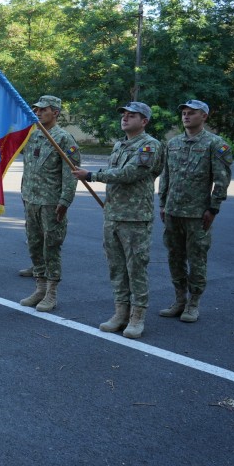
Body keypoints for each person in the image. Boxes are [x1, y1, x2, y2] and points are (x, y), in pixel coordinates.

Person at [72, 101, 163, 339]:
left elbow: (131, 173)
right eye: (124, 114)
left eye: (132, 115)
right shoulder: (119, 145)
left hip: (135, 218)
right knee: (116, 267)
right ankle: (120, 312)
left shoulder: (149, 146)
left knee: (136, 268)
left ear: (144, 121)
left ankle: (137, 316)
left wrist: (91, 175)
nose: (125, 118)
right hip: (113, 214)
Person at [158, 99, 232, 323]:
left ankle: (194, 302)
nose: (186, 116)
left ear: (204, 117)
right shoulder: (173, 143)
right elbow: (166, 176)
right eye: (184, 113)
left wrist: (213, 208)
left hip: (198, 214)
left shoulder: (215, 144)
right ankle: (179, 299)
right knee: (174, 257)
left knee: (197, 258)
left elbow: (221, 179)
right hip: (172, 211)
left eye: (192, 113)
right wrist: (162, 203)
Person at [19, 95, 81, 312]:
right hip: (31, 200)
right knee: (35, 245)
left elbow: (71, 174)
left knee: (51, 247)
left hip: (51, 203)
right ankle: (40, 287)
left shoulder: (64, 139)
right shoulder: (33, 137)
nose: (38, 113)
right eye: (36, 109)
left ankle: (51, 292)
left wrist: (65, 201)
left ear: (55, 112)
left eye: (43, 110)